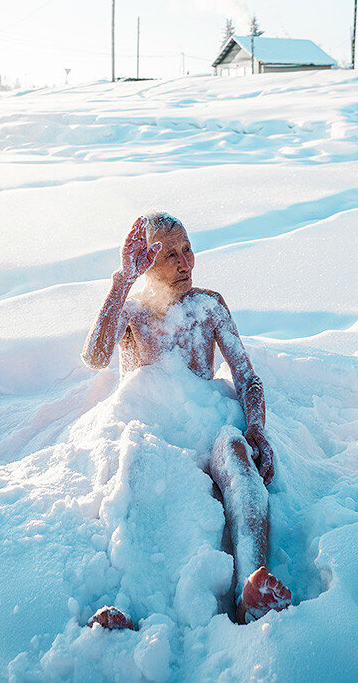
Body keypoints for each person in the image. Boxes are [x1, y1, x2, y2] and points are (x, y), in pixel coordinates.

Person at [80, 213, 291, 627]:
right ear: (145, 263)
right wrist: (121, 282)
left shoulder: (208, 304)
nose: (185, 263)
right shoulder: (134, 311)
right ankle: (135, 610)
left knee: (234, 449)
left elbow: (247, 377)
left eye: (188, 249)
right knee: (142, 473)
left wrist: (257, 430)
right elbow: (94, 356)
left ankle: (253, 582)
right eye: (170, 255)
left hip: (204, 422)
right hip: (153, 430)